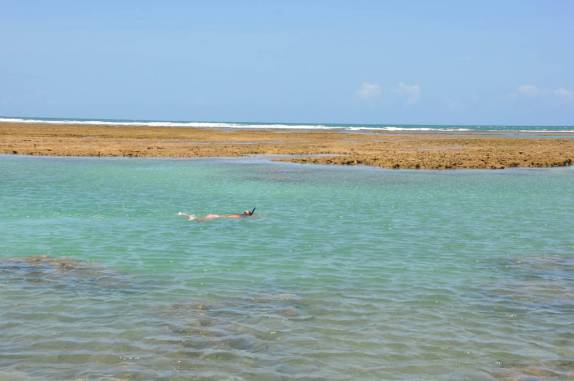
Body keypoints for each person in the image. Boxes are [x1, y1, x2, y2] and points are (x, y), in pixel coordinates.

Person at [178, 208, 255, 222]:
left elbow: (251, 215)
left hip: (219, 217)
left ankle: (186, 215)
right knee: (200, 220)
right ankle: (189, 216)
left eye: (246, 211)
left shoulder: (243, 216)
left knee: (200, 220)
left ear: (247, 214)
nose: (245, 210)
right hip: (220, 217)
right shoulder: (242, 216)